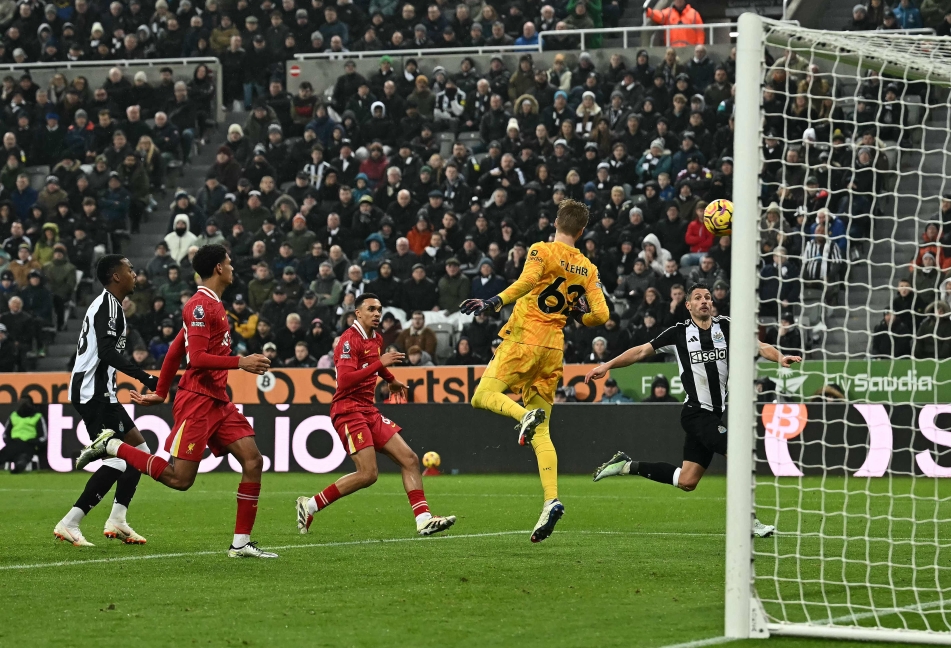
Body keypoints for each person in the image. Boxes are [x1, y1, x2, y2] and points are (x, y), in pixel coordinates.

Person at [80, 245, 278, 559]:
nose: (232, 268)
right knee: (180, 479)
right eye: (228, 263)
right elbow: (195, 358)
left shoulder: (214, 304)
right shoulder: (199, 306)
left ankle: (241, 543)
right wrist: (240, 362)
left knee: (253, 461)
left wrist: (161, 391)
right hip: (197, 400)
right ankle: (112, 446)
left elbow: (175, 349)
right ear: (218, 268)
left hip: (218, 400)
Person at [585, 283, 802, 538]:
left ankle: (625, 465)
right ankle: (748, 521)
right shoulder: (678, 333)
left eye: (707, 297)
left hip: (714, 414)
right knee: (739, 454)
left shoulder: (726, 327)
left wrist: (780, 357)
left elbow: (759, 345)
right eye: (698, 298)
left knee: (687, 481)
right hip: (696, 412)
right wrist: (607, 365)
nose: (704, 301)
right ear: (688, 305)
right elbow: (641, 351)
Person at [462, 200, 609, 543]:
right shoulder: (588, 268)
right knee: (543, 432)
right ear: (582, 231)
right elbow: (601, 316)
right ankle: (550, 499)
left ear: (555, 222)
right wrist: (579, 316)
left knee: (482, 396)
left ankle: (522, 416)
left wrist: (493, 302)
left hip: (524, 340)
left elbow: (527, 281)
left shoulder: (541, 250)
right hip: (553, 350)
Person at [295, 293, 456, 537]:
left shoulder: (376, 338)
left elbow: (372, 366)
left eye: (379, 309)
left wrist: (390, 379)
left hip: (368, 409)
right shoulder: (348, 340)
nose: (377, 313)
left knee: (410, 459)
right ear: (358, 313)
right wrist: (381, 363)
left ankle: (423, 520)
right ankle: (310, 506)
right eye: (371, 309)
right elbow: (345, 381)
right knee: (368, 474)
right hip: (348, 410)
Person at [53, 255, 160, 547]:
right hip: (93, 393)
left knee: (139, 451)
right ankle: (70, 522)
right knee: (117, 458)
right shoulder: (108, 306)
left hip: (103, 393)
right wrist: (146, 377)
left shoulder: (111, 306)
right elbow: (105, 352)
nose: (134, 274)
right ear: (116, 276)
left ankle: (117, 519)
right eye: (130, 269)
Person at [0, 397, 47, 473]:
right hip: (14, 443)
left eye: (25, 403)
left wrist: (33, 442)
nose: (23, 405)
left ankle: (20, 464)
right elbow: (6, 434)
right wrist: (9, 441)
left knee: (24, 454)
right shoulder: (14, 415)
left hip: (29, 444)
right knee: (6, 453)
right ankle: (20, 463)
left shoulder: (37, 416)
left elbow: (43, 437)